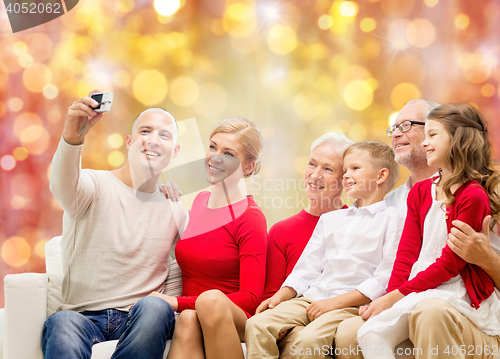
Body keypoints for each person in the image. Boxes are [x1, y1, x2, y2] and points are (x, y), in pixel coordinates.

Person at [42, 91, 189, 359]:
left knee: (157, 308)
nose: (153, 140)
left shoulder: (175, 208)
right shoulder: (93, 185)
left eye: (164, 135)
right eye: (145, 131)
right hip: (81, 317)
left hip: (140, 319)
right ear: (130, 141)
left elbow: (177, 271)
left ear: (175, 152)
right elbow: (62, 186)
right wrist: (73, 138)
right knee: (62, 324)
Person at [357, 103, 500, 359]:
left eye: (433, 135)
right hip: (416, 288)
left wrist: (397, 296)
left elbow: (449, 264)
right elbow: (406, 255)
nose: (425, 142)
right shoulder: (418, 193)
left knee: (430, 312)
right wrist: (391, 297)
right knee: (368, 333)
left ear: (458, 140)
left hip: (452, 292)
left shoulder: (475, 195)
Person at [245, 141, 403, 359]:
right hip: (312, 298)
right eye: (345, 170)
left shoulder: (393, 219)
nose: (346, 175)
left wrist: (333, 303)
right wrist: (281, 296)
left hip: (348, 305)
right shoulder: (330, 219)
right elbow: (306, 268)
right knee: (256, 325)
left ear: (380, 176)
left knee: (307, 341)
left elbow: (383, 278)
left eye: (355, 169)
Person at [151, 118, 267, 359]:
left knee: (209, 302)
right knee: (189, 320)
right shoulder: (199, 201)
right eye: (213, 147)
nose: (215, 158)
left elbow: (251, 298)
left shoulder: (251, 217)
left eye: (228, 153)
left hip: (229, 316)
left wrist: (176, 303)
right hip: (190, 315)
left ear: (248, 167)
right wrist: (161, 194)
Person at [262, 133, 353, 359]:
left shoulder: (360, 225)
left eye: (328, 169)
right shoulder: (281, 231)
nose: (315, 174)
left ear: (346, 178)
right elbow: (272, 295)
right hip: (294, 325)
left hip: (341, 321)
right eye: (312, 164)